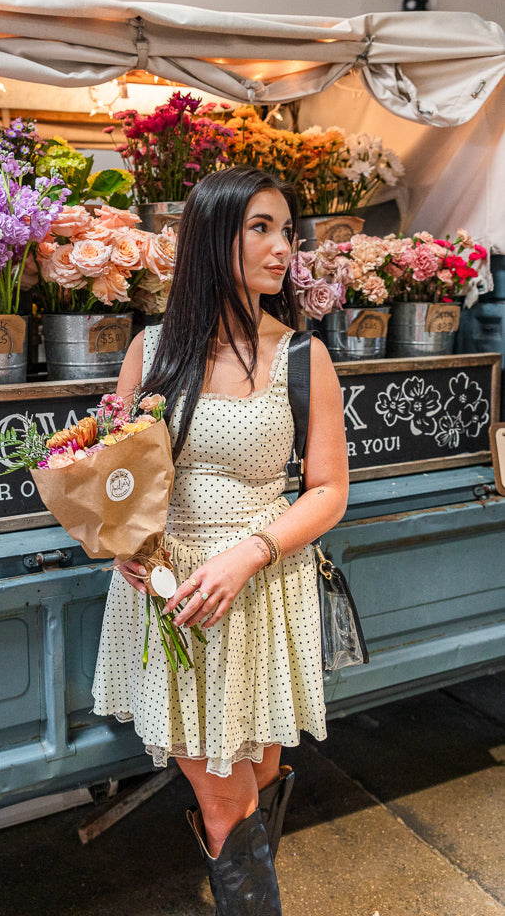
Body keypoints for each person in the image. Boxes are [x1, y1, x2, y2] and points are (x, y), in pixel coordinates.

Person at [92, 166, 348, 915]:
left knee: (257, 772)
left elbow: (328, 490)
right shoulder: (152, 351)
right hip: (176, 597)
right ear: (213, 238)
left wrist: (250, 552)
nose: (281, 250)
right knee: (223, 791)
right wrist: (122, 542)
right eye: (259, 228)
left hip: (259, 588)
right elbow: (115, 474)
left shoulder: (303, 357)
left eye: (287, 232)